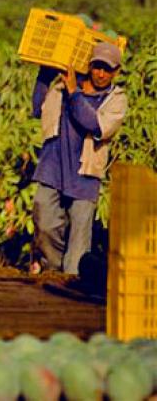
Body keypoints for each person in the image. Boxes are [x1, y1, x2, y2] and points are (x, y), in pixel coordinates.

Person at [31, 42, 127, 274]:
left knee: (79, 242)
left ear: (116, 72)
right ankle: (51, 274)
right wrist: (44, 75)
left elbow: (94, 125)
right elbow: (38, 109)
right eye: (97, 67)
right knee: (44, 223)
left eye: (107, 69)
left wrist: (74, 93)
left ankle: (71, 287)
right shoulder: (62, 89)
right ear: (90, 66)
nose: (101, 74)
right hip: (53, 168)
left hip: (85, 176)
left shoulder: (116, 99)